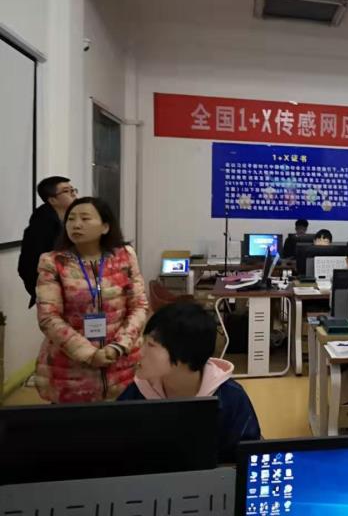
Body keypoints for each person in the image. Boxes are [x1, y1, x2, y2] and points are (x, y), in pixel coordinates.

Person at [35, 197, 148, 403]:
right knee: (74, 423)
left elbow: (139, 306)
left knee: (124, 420)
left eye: (85, 218)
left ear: (105, 227)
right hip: (71, 372)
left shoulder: (124, 256)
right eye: (71, 219)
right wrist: (89, 354)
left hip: (122, 366)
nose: (76, 224)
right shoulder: (53, 262)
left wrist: (118, 346)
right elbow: (48, 317)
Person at [118, 302, 261, 462]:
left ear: (183, 355)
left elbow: (248, 458)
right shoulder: (135, 394)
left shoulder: (231, 398)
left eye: (151, 345)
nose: (139, 352)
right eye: (143, 341)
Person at [18, 177, 78, 307]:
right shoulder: (40, 226)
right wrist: (44, 293)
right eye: (66, 191)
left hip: (75, 289)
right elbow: (27, 266)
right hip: (54, 294)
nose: (73, 194)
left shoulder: (73, 218)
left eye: (73, 190)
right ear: (52, 200)